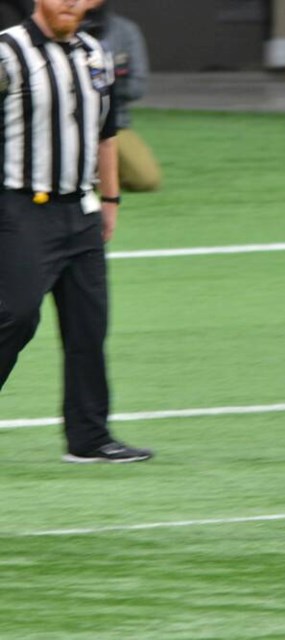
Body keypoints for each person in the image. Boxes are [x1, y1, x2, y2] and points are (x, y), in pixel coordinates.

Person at [0, 0, 152, 462]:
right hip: (20, 206)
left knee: (89, 324)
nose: (69, 1)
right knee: (16, 315)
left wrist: (110, 200)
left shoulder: (95, 53)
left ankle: (89, 437)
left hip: (80, 209)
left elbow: (107, 134)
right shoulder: (8, 52)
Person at [83, 0, 160, 192]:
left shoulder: (126, 31)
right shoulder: (62, 30)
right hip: (67, 122)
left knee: (146, 179)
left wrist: (95, 85)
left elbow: (137, 88)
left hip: (115, 122)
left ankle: (102, 169)